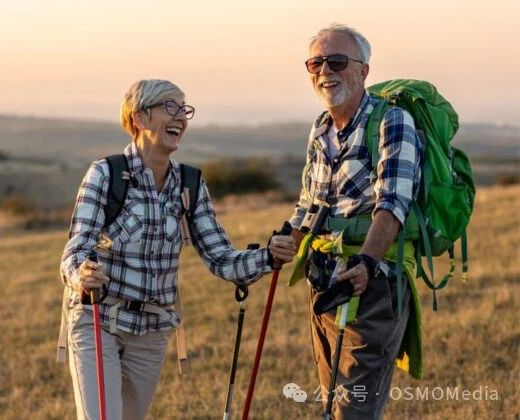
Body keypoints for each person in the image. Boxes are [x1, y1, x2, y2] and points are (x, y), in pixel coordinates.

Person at [59, 79, 275, 420]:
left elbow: (221, 259)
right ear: (141, 118)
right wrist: (81, 273)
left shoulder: (190, 184)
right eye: (170, 107)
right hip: (99, 320)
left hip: (153, 330)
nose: (182, 117)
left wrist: (271, 256)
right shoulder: (105, 173)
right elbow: (76, 249)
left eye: (184, 109)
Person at [269, 24, 424, 419]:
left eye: (337, 61)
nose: (325, 71)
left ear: (363, 71)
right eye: (315, 63)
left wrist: (367, 263)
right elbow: (310, 202)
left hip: (373, 282)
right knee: (331, 402)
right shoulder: (321, 127)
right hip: (325, 279)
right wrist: (287, 239)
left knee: (353, 408)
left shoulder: (393, 122)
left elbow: (393, 204)